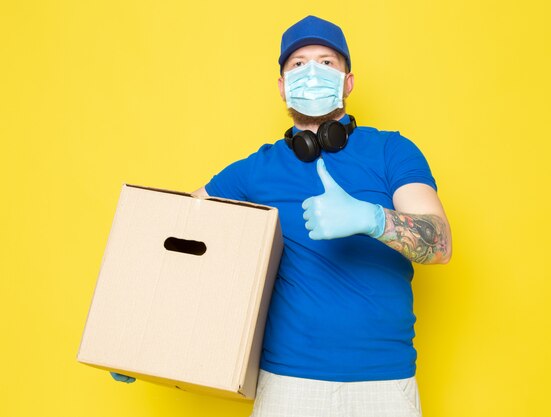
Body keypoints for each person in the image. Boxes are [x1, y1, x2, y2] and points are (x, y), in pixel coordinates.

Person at [113, 15, 452, 417]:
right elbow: (179, 240)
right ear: (282, 86)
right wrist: (138, 330)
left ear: (348, 81)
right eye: (298, 64)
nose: (312, 71)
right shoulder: (254, 171)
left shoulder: (392, 152)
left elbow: (441, 243)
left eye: (326, 63)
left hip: (384, 385)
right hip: (287, 387)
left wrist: (372, 218)